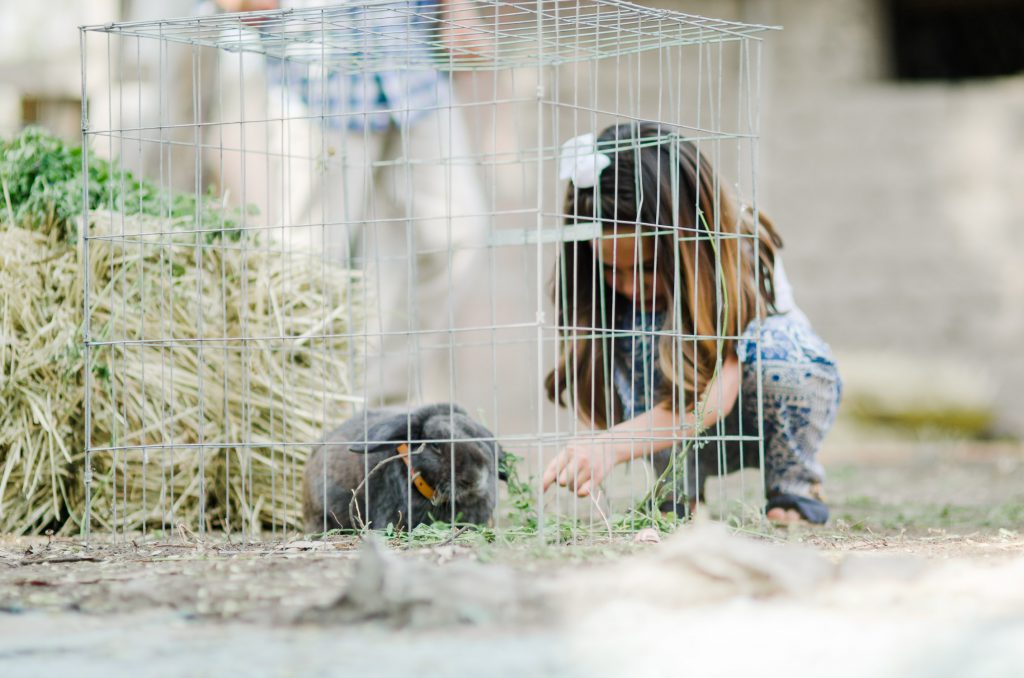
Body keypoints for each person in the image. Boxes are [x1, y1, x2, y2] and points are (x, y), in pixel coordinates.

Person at [540, 123, 841, 525]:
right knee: (643, 333)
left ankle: (794, 484)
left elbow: (718, 398)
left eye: (647, 268)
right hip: (674, 419)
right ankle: (677, 489)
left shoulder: (740, 258)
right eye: (613, 270)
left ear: (685, 242)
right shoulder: (610, 299)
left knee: (785, 358)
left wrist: (611, 445)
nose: (632, 286)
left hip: (744, 409)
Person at [213, 0, 487, 407]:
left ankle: (377, 406)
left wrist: (457, 6)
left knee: (458, 232)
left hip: (410, 62)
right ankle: (294, 413)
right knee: (310, 267)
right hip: (321, 76)